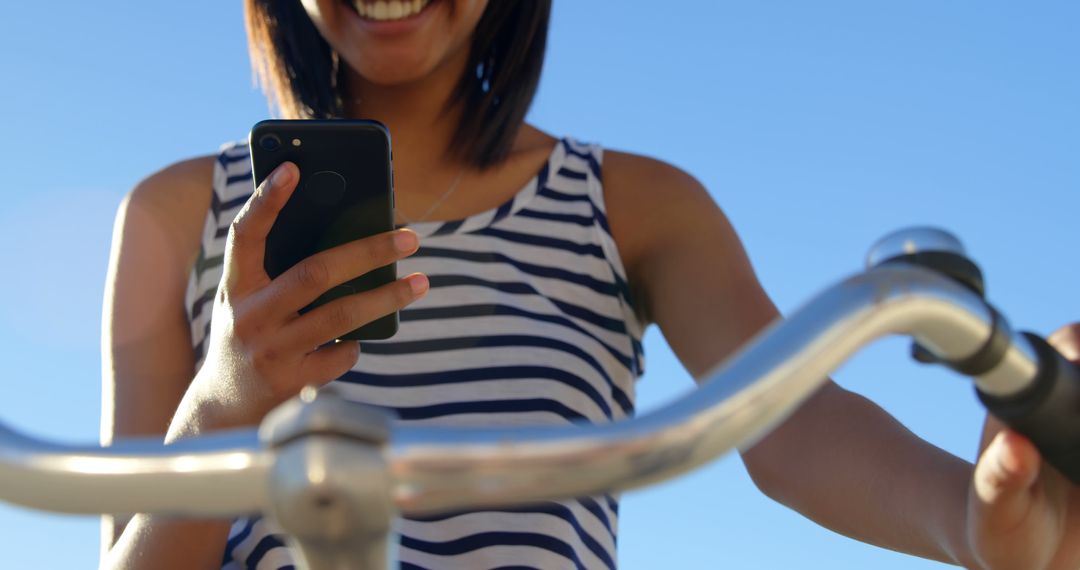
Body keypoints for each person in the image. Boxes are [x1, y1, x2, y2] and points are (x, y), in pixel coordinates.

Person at [99, 1, 1079, 568]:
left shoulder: (637, 204)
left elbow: (790, 423)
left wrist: (979, 524)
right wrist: (228, 396)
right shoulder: (174, 211)